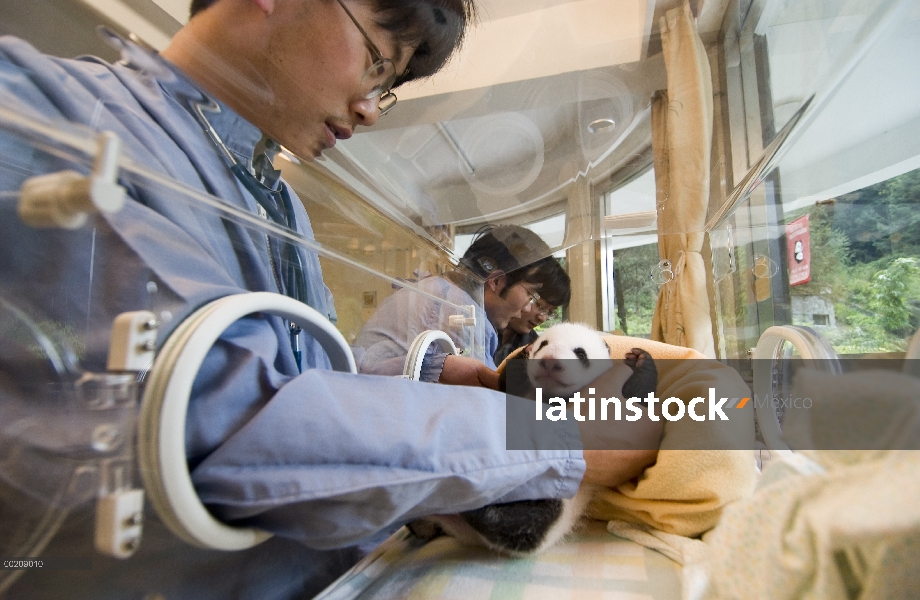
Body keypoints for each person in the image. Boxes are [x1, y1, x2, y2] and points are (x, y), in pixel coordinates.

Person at [0, 0, 662, 597]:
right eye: (378, 64)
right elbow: (229, 424)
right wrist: (560, 437)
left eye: (388, 91)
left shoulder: (277, 198)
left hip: (333, 565)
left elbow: (306, 374)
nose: (372, 108)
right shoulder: (46, 113)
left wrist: (430, 372)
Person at [355, 225, 564, 385]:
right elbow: (485, 395)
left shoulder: (439, 290)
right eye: (530, 294)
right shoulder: (459, 310)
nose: (527, 309)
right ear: (497, 280)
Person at [493, 257, 570, 365]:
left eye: (550, 312)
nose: (542, 318)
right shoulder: (477, 326)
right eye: (540, 306)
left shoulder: (535, 346)